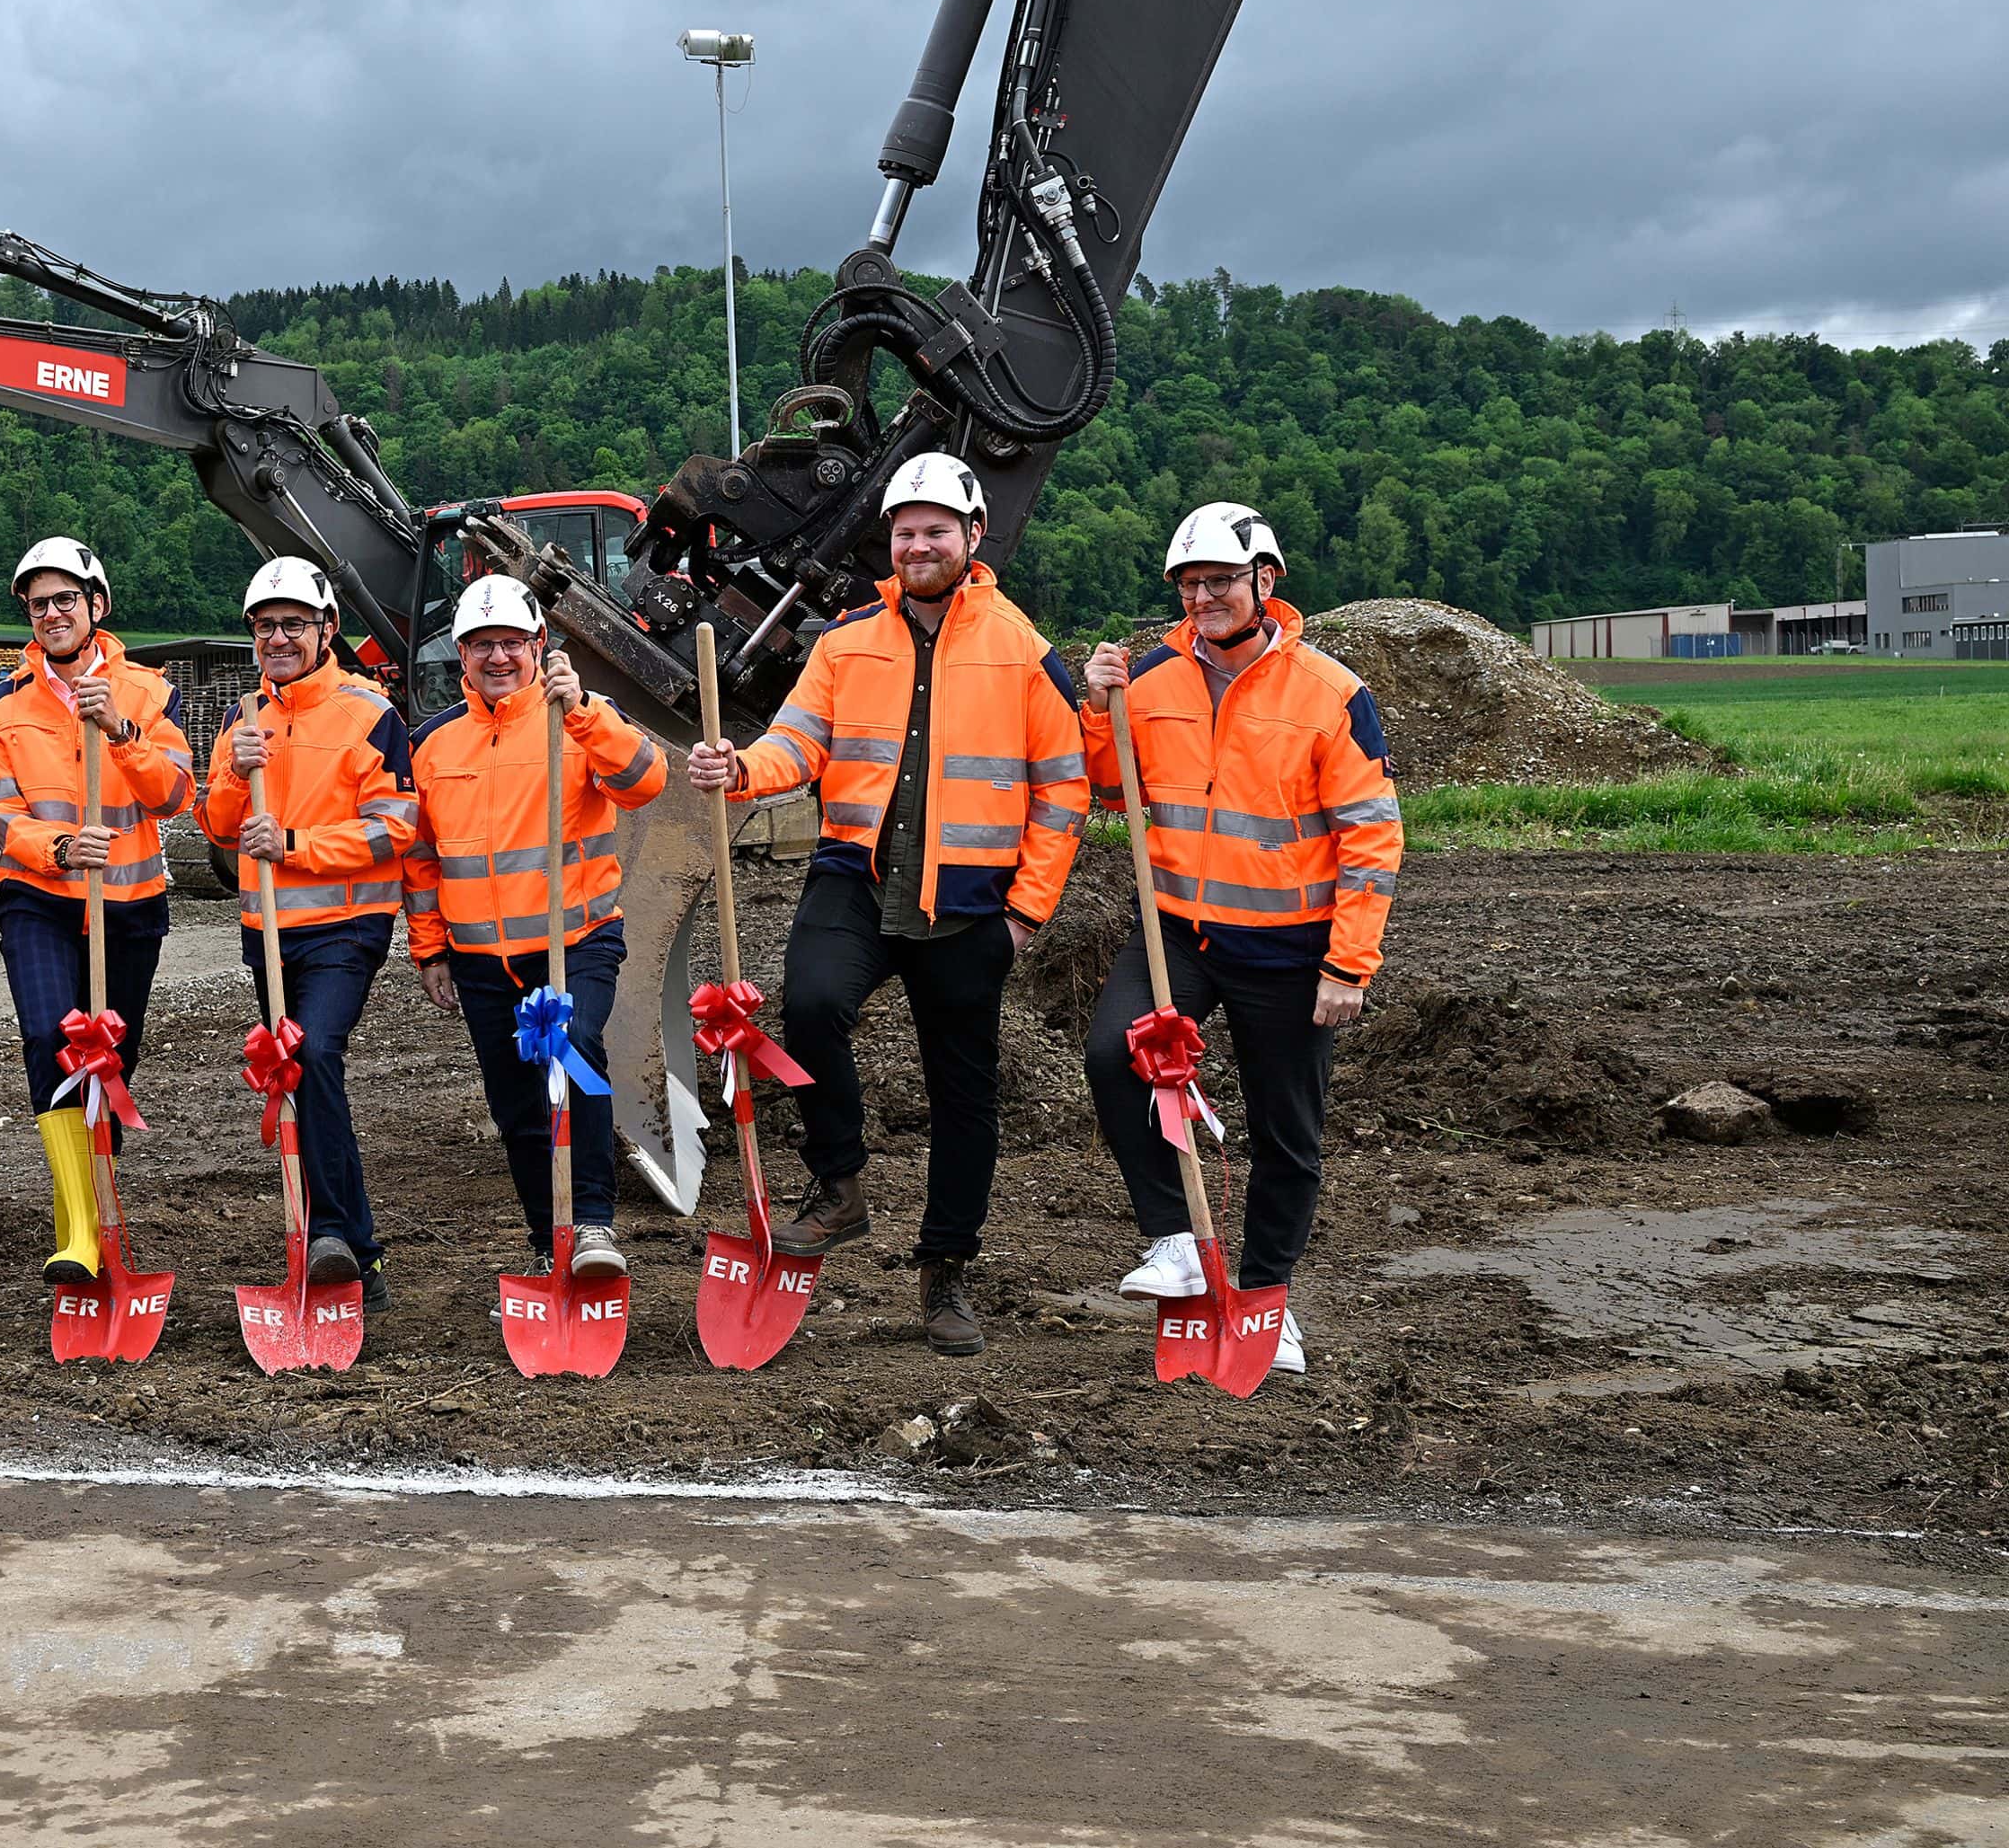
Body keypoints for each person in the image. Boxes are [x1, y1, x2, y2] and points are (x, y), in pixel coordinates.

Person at [686, 454, 1090, 1357]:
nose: (918, 543)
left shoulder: (1023, 648)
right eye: (905, 530)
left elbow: (1066, 788)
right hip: (855, 882)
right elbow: (799, 739)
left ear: (973, 537)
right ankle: (840, 1185)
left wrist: (1025, 912)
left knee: (963, 1097)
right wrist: (743, 770)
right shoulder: (846, 639)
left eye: (936, 529)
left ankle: (945, 1273)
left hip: (970, 905)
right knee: (815, 1003)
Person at [1078, 501, 1400, 1375]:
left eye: (1218, 580)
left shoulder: (1332, 694)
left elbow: (1373, 836)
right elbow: (1115, 790)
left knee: (1286, 1130)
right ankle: (1176, 1241)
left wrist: (1349, 962)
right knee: (1114, 1055)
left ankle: (1265, 1300)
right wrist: (1097, 708)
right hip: (1178, 930)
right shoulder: (1151, 678)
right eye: (1189, 584)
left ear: (1266, 580)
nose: (1203, 598)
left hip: (1293, 951)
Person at [405, 575, 667, 1274]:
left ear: (538, 645)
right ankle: (545, 1238)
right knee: (517, 1101)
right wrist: (430, 950)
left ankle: (592, 1225)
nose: (498, 658)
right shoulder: (432, 745)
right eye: (482, 645)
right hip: (482, 959)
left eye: (511, 643)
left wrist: (580, 709)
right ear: (460, 654)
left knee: (573, 1047)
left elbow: (647, 781)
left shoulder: (580, 719)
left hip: (576, 938)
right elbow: (423, 859)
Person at [0, 536, 197, 1285]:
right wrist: (60, 845)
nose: (51, 614)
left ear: (97, 606)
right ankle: (77, 1232)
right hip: (39, 896)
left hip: (131, 904)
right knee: (49, 1035)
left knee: (111, 1058)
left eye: (66, 599)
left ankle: (99, 1206)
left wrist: (122, 734)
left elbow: (173, 796)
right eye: (39, 605)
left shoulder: (151, 693)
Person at [198, 556, 420, 1304]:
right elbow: (218, 827)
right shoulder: (243, 718)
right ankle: (358, 1252)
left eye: (294, 624)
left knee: (315, 1053)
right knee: (300, 1075)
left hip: (346, 928)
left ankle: (330, 1233)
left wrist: (294, 846)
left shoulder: (369, 714)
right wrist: (234, 769)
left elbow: (394, 828)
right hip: (267, 933)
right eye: (266, 627)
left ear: (327, 629)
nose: (280, 639)